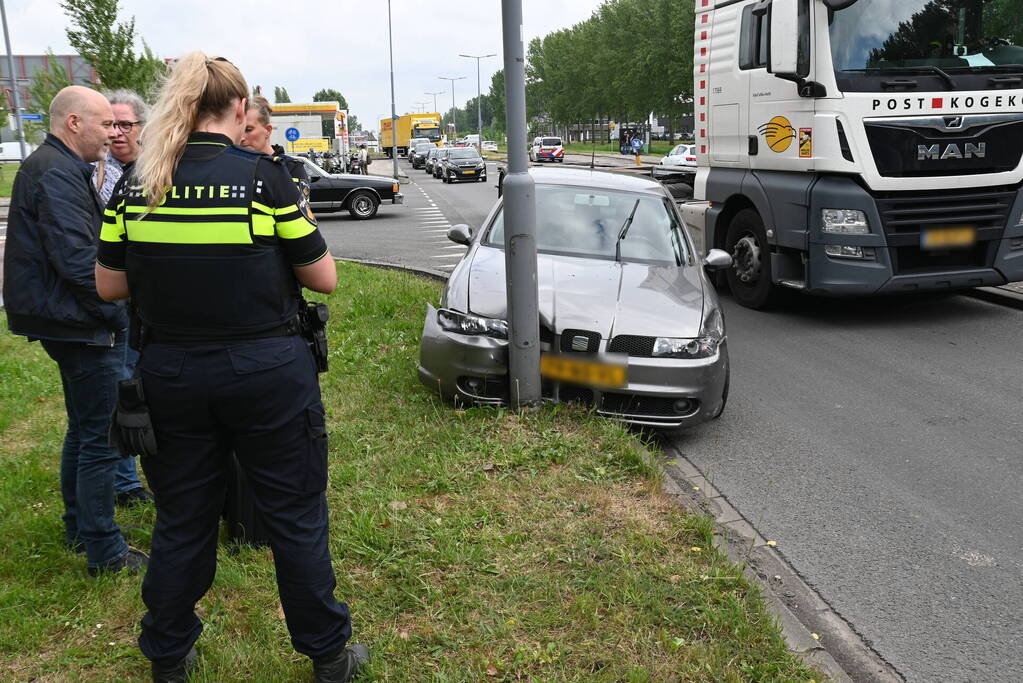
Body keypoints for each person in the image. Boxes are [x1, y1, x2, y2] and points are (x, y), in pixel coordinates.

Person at [94, 53, 367, 683]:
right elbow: (322, 278)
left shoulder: (137, 184)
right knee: (295, 516)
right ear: (241, 110)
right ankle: (328, 655)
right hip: (268, 373)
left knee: (182, 517)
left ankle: (167, 653)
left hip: (172, 374)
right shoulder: (262, 178)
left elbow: (108, 287)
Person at [2, 85, 147, 576]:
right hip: (81, 325)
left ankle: (78, 530)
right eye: (106, 123)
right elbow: (79, 261)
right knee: (101, 439)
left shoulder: (59, 168)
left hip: (70, 321)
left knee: (85, 432)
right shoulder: (55, 174)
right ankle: (103, 550)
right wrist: (117, 316)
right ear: (74, 123)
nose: (113, 133)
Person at [92, 88, 155, 508]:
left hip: (153, 302)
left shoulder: (159, 172)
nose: (116, 133)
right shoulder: (95, 175)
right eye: (110, 124)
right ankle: (125, 482)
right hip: (114, 300)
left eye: (125, 124)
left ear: (142, 128)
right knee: (122, 387)